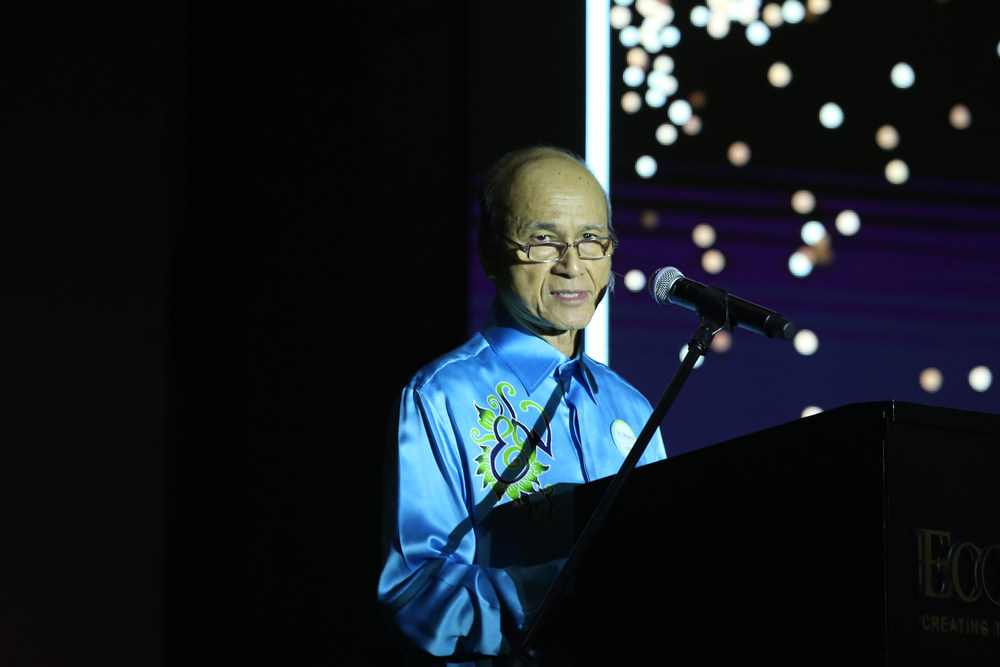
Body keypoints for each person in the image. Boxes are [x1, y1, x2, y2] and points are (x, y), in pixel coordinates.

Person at [377, 145, 667, 665]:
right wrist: (547, 590)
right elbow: (413, 594)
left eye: (592, 240)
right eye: (542, 241)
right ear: (490, 252)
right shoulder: (441, 395)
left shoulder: (633, 409)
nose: (572, 265)